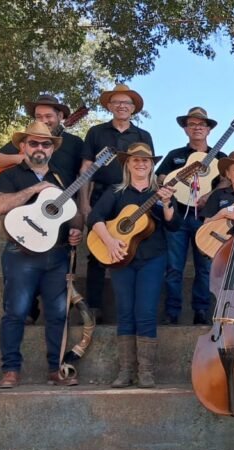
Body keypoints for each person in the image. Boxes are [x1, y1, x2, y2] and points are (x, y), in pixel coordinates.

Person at [0, 122, 82, 388]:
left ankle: (56, 369)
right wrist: (34, 190)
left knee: (58, 314)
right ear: (23, 147)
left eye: (46, 144)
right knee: (16, 313)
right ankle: (10, 370)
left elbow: (74, 212)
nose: (40, 148)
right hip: (21, 254)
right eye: (34, 143)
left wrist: (76, 229)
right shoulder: (9, 175)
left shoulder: (61, 178)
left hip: (57, 254)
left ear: (52, 149)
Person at [87, 143, 180, 389]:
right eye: (135, 160)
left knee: (146, 312)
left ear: (152, 165)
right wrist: (109, 241)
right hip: (120, 257)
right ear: (127, 164)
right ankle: (126, 371)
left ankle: (146, 372)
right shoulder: (116, 191)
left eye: (145, 160)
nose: (141, 164)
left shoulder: (160, 192)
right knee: (125, 312)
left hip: (153, 258)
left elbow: (174, 225)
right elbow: (94, 217)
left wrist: (167, 203)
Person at [0, 94, 85, 325]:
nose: (44, 120)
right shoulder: (29, 141)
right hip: (29, 212)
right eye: (39, 116)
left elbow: (83, 173)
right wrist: (27, 156)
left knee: (62, 263)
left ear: (61, 116)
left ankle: (59, 314)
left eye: (48, 116)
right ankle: (28, 312)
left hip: (61, 209)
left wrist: (81, 209)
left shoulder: (75, 143)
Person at [78, 84, 153, 323]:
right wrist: (84, 203)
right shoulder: (96, 132)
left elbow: (149, 168)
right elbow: (86, 169)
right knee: (96, 250)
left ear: (133, 108)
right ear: (110, 106)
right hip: (101, 195)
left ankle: (133, 310)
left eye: (126, 103)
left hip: (132, 197)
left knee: (134, 246)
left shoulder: (143, 136)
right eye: (117, 102)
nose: (122, 106)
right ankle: (94, 307)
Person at [155, 107, 226, 325]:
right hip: (177, 216)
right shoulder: (175, 155)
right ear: (185, 129)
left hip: (205, 218)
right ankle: (172, 312)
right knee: (174, 267)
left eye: (202, 124)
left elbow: (227, 181)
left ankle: (201, 311)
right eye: (192, 124)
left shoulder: (220, 157)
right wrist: (172, 182)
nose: (197, 128)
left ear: (209, 130)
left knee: (204, 268)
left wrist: (209, 195)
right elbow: (160, 177)